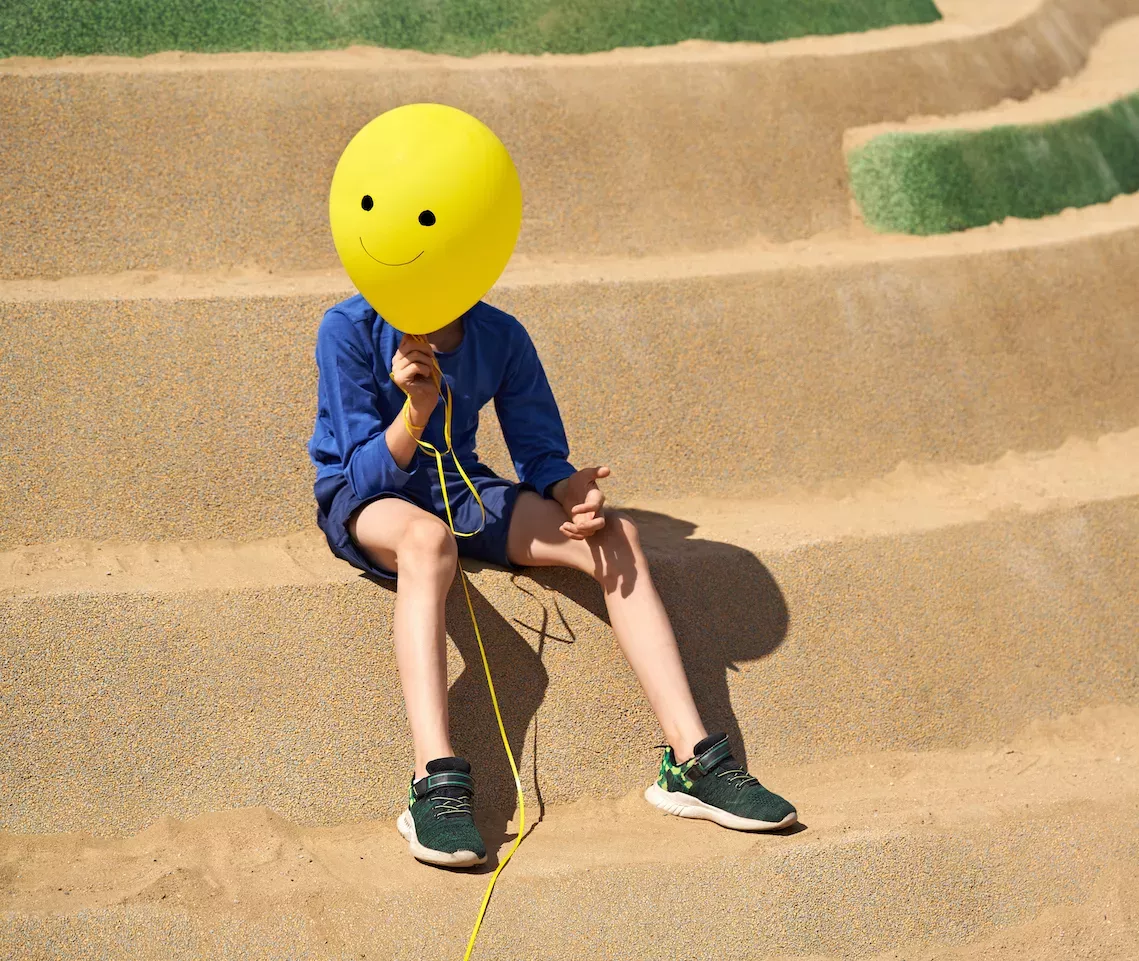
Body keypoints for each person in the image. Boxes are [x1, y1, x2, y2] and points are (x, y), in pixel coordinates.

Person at [308, 293, 797, 868]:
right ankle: (431, 781)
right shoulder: (349, 327)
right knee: (427, 541)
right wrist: (415, 411)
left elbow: (540, 455)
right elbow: (361, 476)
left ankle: (689, 762)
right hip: (371, 498)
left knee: (616, 535)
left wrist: (573, 491)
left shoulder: (500, 334)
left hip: (461, 491)